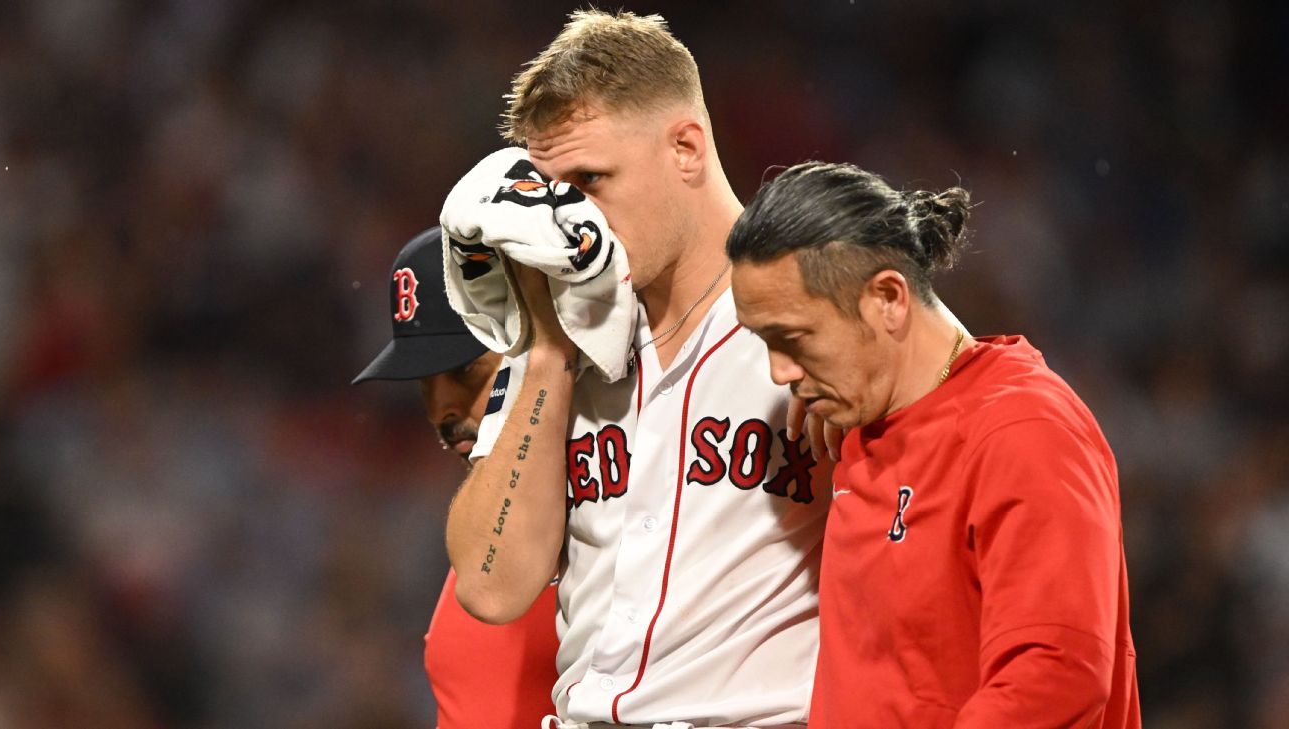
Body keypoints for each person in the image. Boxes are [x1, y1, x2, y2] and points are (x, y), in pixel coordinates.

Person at [443, 10, 830, 728]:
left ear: (686, 148)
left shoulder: (814, 318)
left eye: (592, 180)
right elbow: (492, 585)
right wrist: (550, 350)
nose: (570, 221)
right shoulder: (560, 342)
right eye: (555, 191)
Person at [727, 161, 1141, 728]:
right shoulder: (867, 416)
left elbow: (1056, 673)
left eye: (793, 338)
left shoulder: (1024, 431)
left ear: (889, 298)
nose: (778, 372)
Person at [353, 227, 559, 729]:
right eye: (425, 383)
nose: (442, 408)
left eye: (465, 370)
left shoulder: (628, 500)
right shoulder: (486, 523)